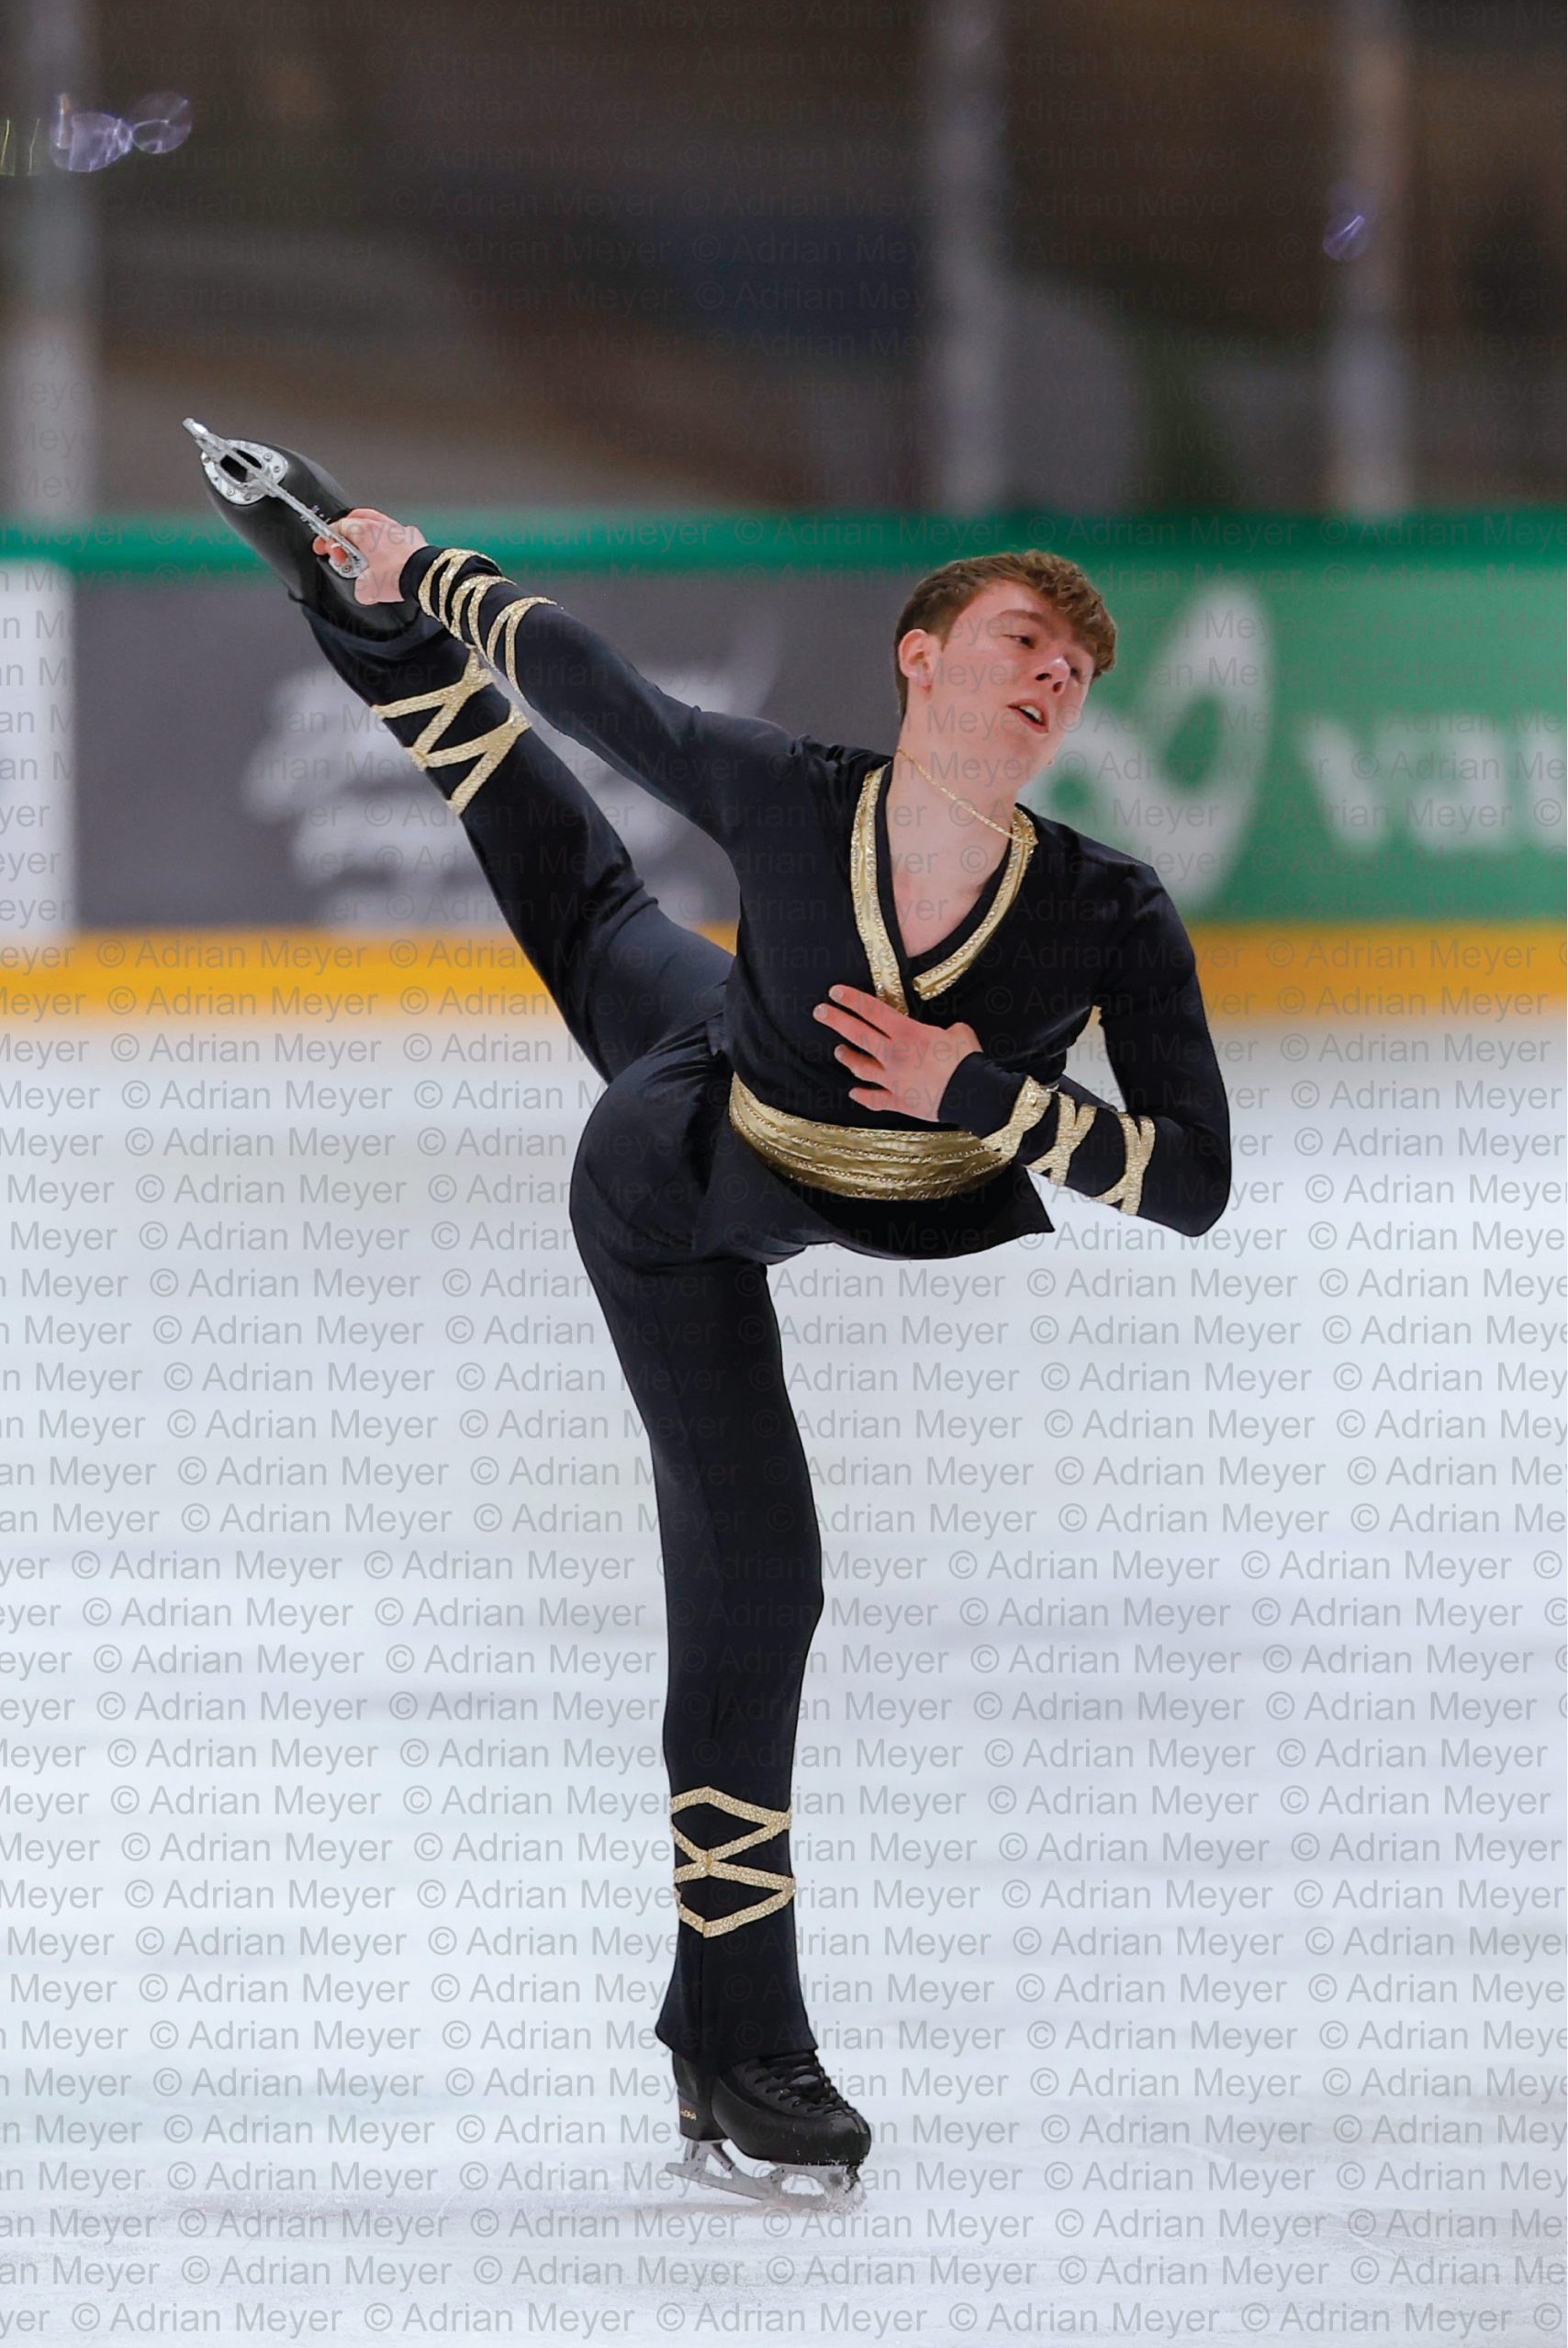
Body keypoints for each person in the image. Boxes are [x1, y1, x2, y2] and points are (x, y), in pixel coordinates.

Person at [206, 444, 1231, 2205]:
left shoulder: (1105, 907)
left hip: (763, 1076)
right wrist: (417, 565)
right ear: (922, 657)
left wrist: (978, 1089)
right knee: (764, 1583)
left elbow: (1193, 1179)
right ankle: (747, 2044)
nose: (1054, 669)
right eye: (1019, 636)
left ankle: (338, 614)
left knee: (601, 914)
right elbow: (596, 686)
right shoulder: (786, 790)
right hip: (678, 1188)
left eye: (1075, 663)